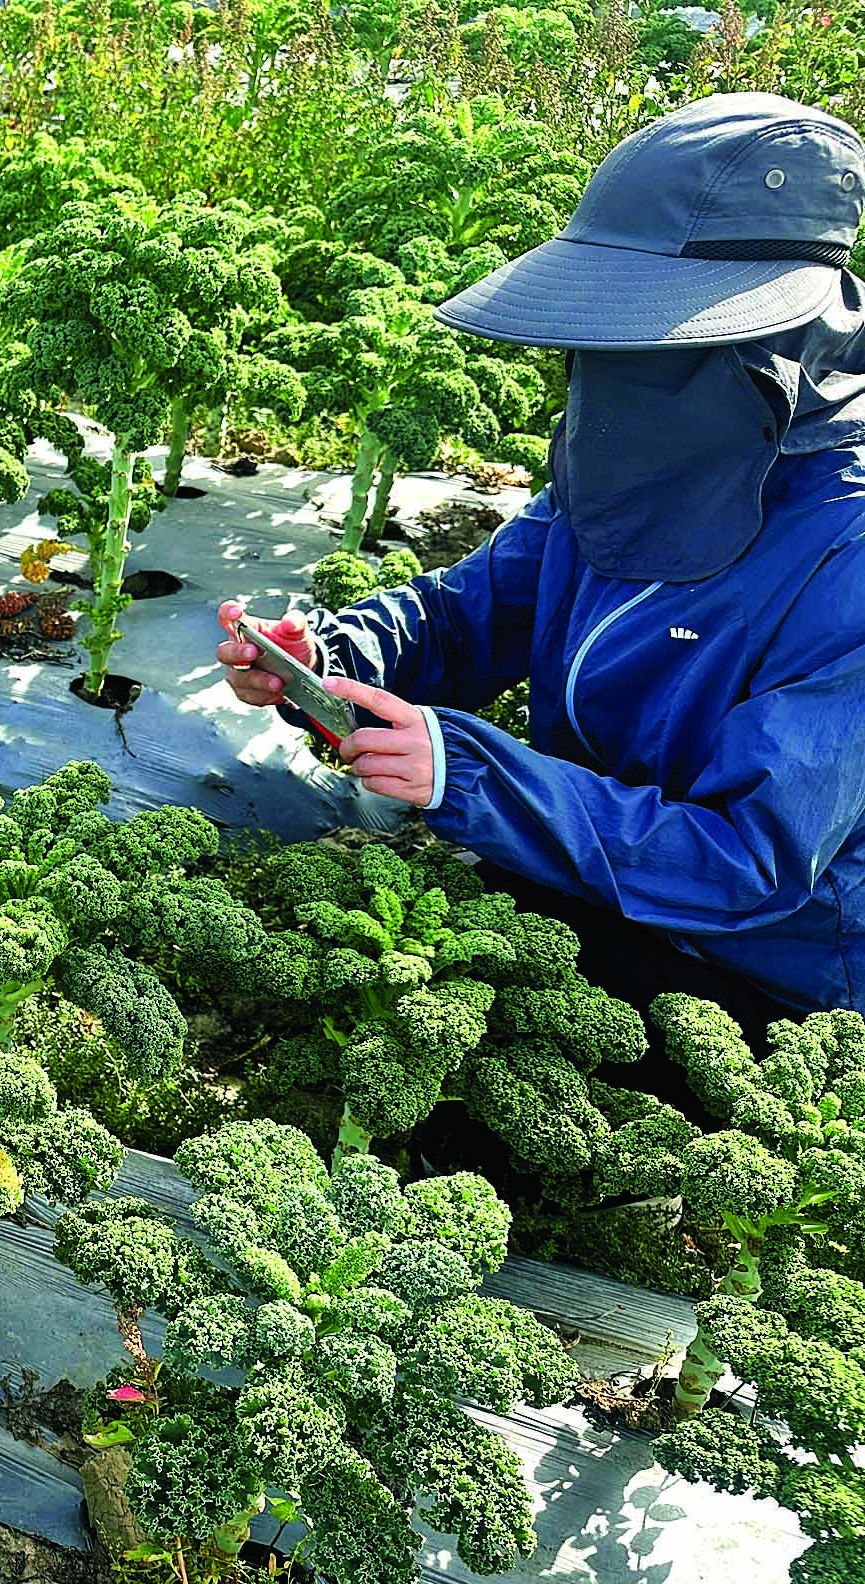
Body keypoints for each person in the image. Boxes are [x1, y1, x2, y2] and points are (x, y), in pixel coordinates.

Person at [218, 92, 865, 1032]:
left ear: (760, 351)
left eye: (643, 348)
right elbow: (474, 613)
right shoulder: (634, 453)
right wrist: (334, 656)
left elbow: (747, 864)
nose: (603, 384)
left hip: (760, 969)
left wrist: (473, 778)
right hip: (578, 858)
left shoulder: (845, 553)